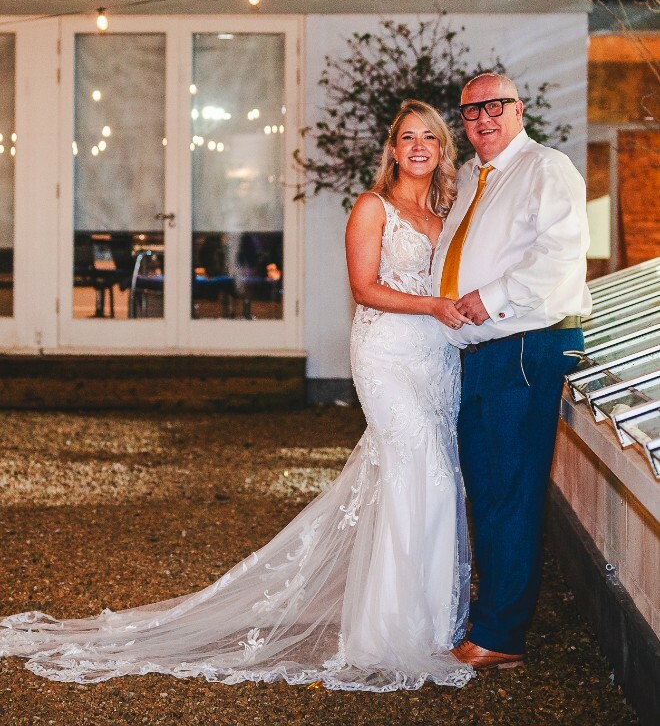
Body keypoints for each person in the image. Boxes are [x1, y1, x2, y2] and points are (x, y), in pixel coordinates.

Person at [0, 100, 475, 692]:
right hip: (386, 354)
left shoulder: (450, 208)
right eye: (408, 138)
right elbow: (365, 288)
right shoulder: (370, 207)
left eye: (430, 136)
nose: (420, 146)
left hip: (436, 358)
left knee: (436, 476)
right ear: (394, 149)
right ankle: (386, 633)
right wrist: (434, 305)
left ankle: (430, 625)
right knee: (413, 470)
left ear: (442, 147)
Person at [431, 72, 591, 671]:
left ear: (519, 109)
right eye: (472, 111)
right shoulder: (473, 176)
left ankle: (500, 635)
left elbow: (559, 257)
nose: (484, 118)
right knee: (490, 486)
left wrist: (488, 297)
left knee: (509, 491)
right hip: (487, 348)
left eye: (496, 106)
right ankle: (493, 618)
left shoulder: (547, 169)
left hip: (525, 342)